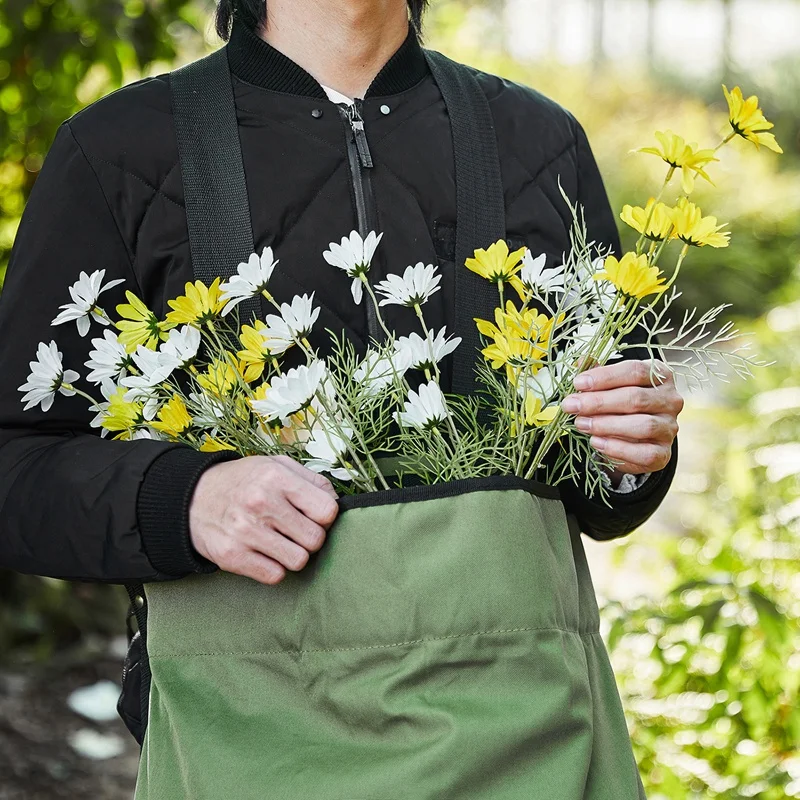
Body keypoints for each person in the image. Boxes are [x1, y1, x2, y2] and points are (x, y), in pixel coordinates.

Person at [0, 2, 681, 646]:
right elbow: (17, 466)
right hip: (248, 729)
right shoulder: (117, 150)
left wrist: (633, 452)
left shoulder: (539, 142)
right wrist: (184, 500)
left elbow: (605, 488)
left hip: (515, 715)